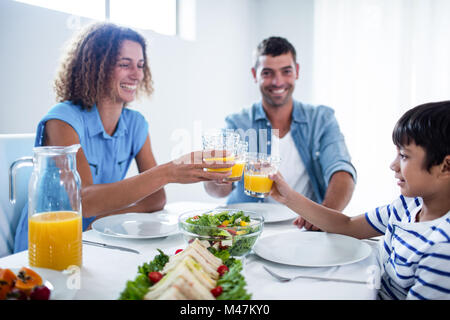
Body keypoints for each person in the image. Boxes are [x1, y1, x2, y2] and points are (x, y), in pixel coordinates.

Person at [13, 22, 232, 252]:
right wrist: (169, 172)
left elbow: (156, 199)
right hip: (44, 246)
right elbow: (85, 202)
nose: (137, 74)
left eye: (140, 65)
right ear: (96, 67)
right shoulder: (62, 120)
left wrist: (103, 218)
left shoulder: (136, 124)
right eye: (124, 64)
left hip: (96, 238)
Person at [270, 101, 450, 299]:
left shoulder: (442, 249)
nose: (393, 165)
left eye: (404, 156)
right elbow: (348, 226)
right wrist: (289, 197)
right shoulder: (409, 205)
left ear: (445, 166)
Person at [204, 36, 356, 228]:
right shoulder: (237, 123)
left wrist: (323, 216)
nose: (278, 81)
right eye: (267, 73)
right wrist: (215, 176)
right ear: (254, 74)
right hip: (245, 226)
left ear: (297, 71)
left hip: (303, 226)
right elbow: (218, 191)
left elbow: (341, 172)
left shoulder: (321, 119)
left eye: (286, 71)